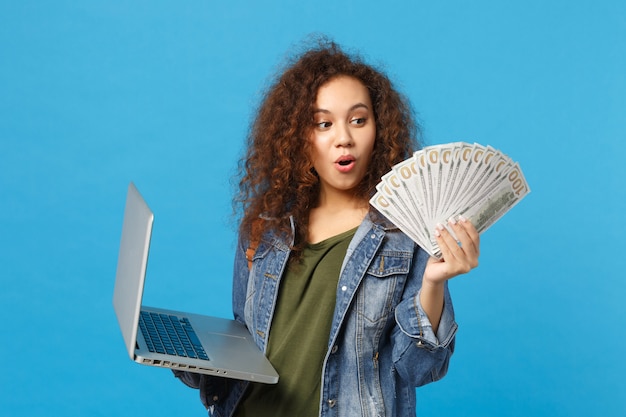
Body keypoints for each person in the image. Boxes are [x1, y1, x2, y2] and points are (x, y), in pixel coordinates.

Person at [174, 37, 480, 417]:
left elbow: (419, 368)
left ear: (379, 130)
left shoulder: (408, 235)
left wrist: (434, 282)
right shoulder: (264, 228)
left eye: (358, 120)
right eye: (323, 123)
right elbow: (249, 340)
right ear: (300, 137)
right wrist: (195, 357)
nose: (343, 138)